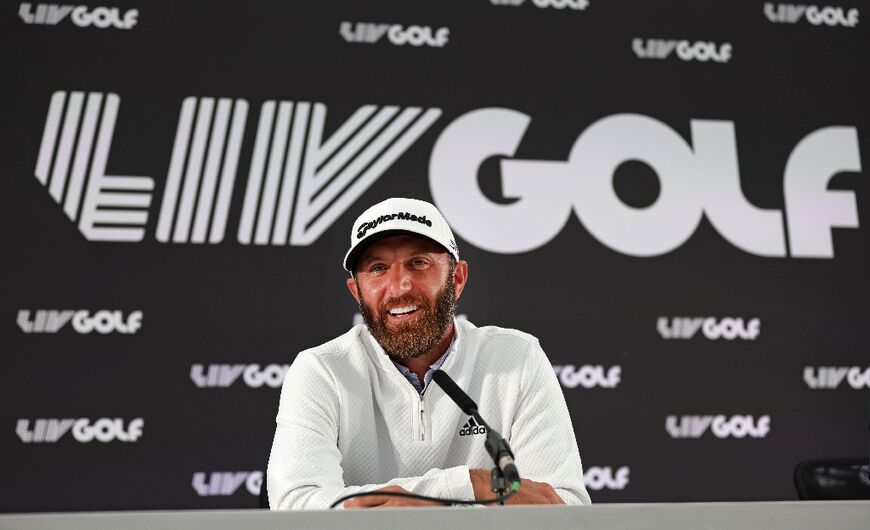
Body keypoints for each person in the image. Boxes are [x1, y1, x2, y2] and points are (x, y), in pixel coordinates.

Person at [267, 197, 591, 509]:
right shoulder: (321, 370)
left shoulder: (516, 359)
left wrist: (418, 501)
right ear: (357, 291)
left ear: (458, 278)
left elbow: (563, 506)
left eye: (418, 263)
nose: (399, 286)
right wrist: (469, 486)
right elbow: (298, 505)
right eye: (378, 268)